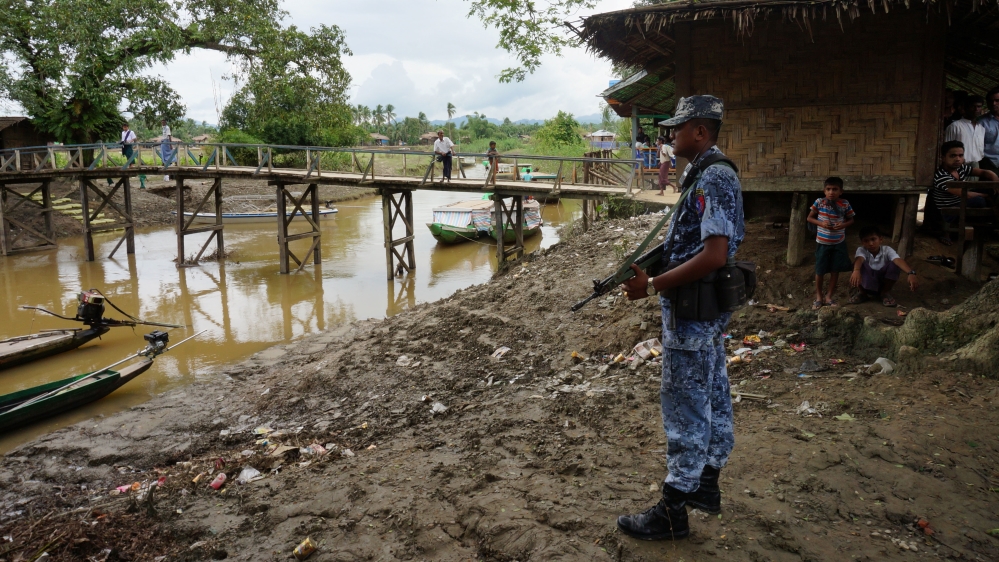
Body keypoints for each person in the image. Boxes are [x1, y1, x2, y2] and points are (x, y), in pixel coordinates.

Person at [617, 95, 745, 542]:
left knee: (686, 406)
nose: (670, 136)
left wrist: (651, 286)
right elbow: (701, 245)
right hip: (701, 312)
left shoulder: (713, 177)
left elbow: (714, 254)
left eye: (677, 128)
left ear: (700, 132)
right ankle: (706, 484)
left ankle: (673, 510)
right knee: (711, 392)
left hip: (693, 314)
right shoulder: (709, 173)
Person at [931, 140, 999, 244]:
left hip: (962, 202)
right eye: (953, 156)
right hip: (950, 211)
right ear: (943, 158)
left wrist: (996, 182)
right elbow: (966, 194)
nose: (957, 159)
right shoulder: (941, 176)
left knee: (989, 190)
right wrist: (986, 196)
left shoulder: (960, 168)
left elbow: (985, 172)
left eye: (960, 155)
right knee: (979, 200)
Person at [807, 177, 856, 310]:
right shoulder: (819, 202)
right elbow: (809, 217)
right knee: (820, 270)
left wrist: (843, 225)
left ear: (841, 191)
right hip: (822, 242)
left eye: (835, 189)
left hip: (838, 242)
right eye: (828, 189)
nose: (831, 192)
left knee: (835, 270)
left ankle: (829, 297)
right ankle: (818, 297)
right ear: (824, 191)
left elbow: (851, 220)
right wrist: (821, 223)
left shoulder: (845, 204)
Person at [849, 226, 919, 307]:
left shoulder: (887, 250)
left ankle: (885, 293)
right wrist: (856, 270)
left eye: (873, 239)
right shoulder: (861, 250)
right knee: (856, 264)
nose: (871, 243)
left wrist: (911, 273)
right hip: (866, 284)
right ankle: (862, 293)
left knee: (894, 265)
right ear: (862, 242)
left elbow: (897, 260)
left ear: (880, 239)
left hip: (882, 284)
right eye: (866, 241)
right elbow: (860, 259)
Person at [944, 95, 986, 167]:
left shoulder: (981, 128)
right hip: (958, 165)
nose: (976, 109)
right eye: (973, 106)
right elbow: (946, 148)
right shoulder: (955, 126)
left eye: (979, 107)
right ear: (966, 108)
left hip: (976, 165)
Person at [979, 86, 999, 173]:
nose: (994, 103)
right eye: (990, 101)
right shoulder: (981, 122)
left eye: (997, 101)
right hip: (988, 163)